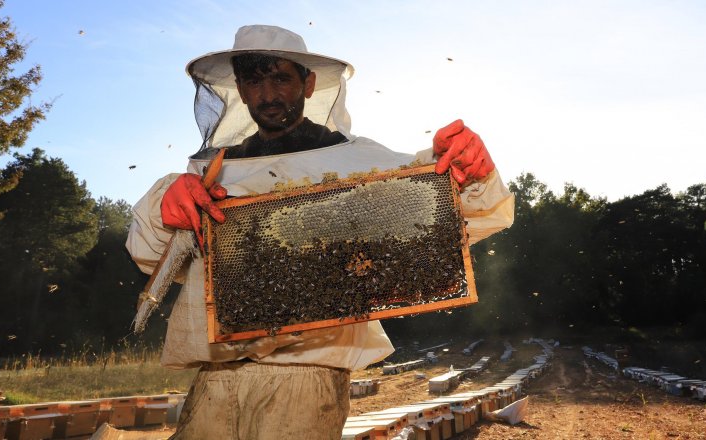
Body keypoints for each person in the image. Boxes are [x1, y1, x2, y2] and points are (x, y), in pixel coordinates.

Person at [126, 24, 514, 439]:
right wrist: (167, 205)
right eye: (254, 80)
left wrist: (469, 167)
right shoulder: (212, 174)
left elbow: (463, 211)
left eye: (280, 78)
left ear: (308, 84)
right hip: (214, 381)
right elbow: (151, 255)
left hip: (306, 382)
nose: (267, 94)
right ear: (239, 88)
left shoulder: (357, 162)